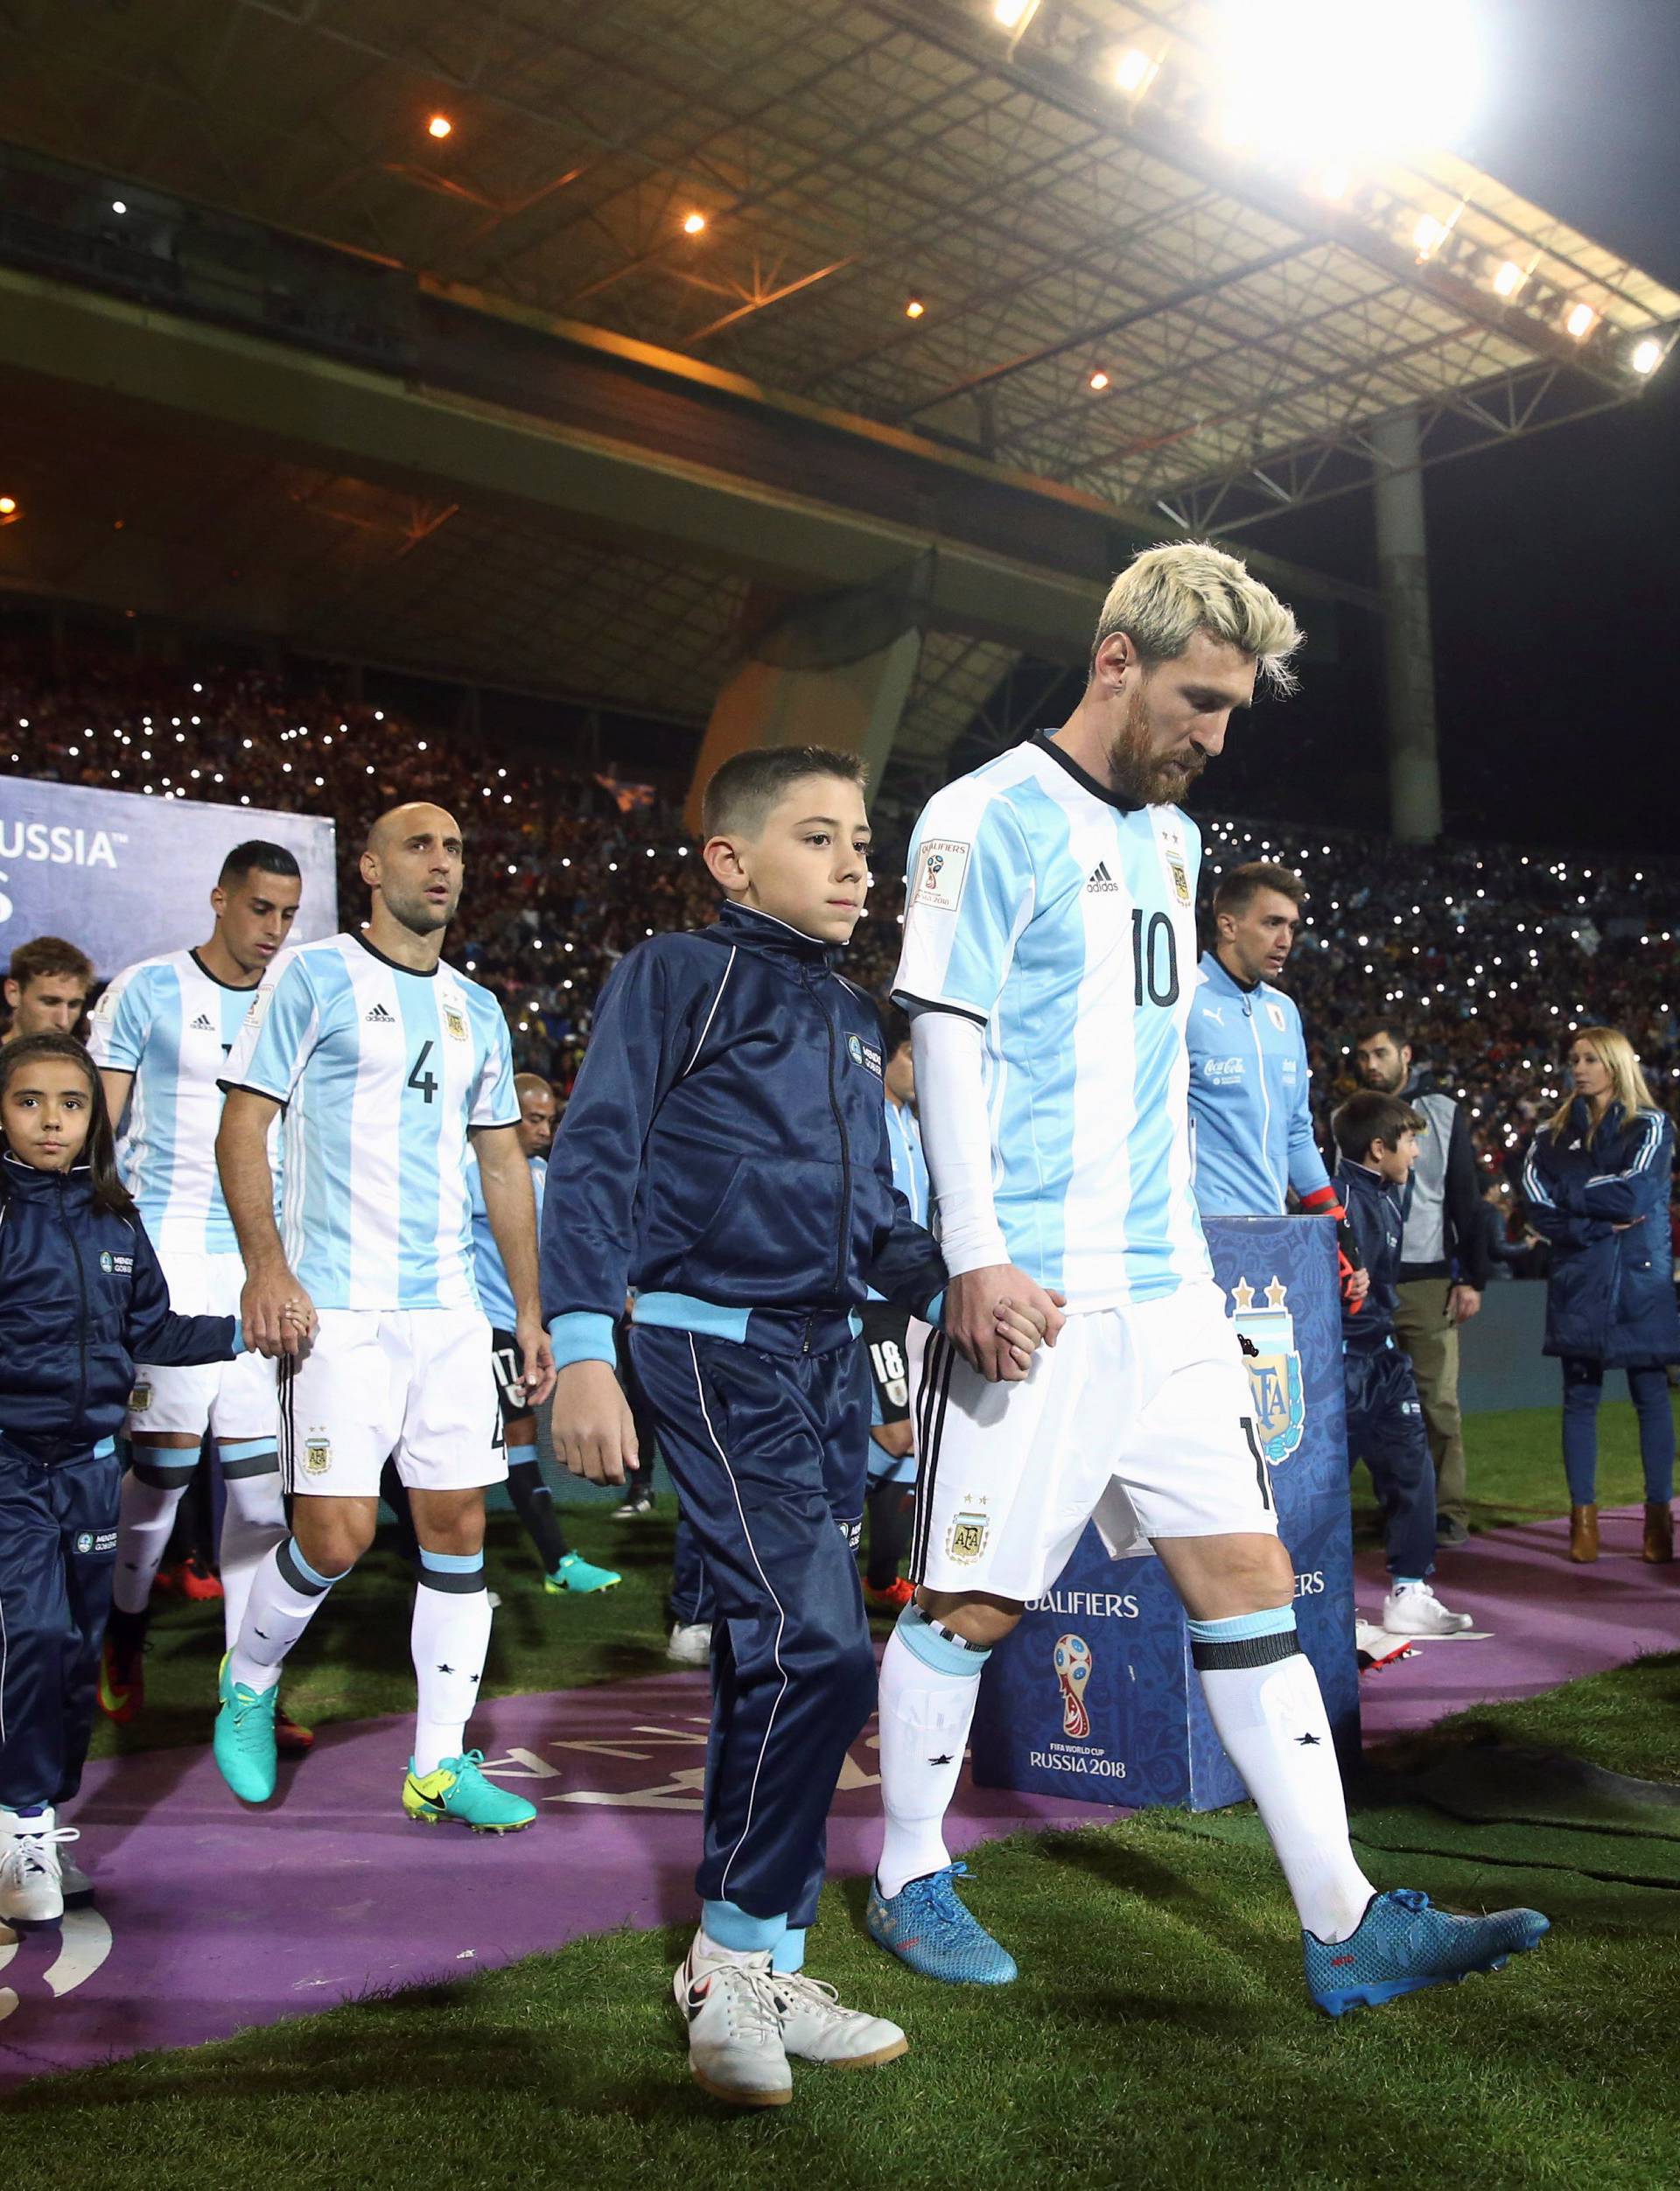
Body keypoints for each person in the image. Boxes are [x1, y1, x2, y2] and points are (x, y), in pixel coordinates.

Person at [872, 538, 1546, 2018]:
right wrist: (972, 1253)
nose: (1214, 734)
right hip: (1035, 1284)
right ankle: (909, 1865)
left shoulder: (1178, 844)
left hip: (1167, 1290)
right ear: (1115, 658)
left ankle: (1344, 1916)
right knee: (975, 1601)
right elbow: (949, 1052)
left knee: (1250, 1584)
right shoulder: (981, 818)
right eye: (1198, 697)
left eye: (1234, 708)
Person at [541, 744, 1049, 2106]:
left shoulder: (842, 1016)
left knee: (772, 1669)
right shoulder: (674, 974)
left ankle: (758, 1954)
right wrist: (582, 1345)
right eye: (818, 839)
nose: (855, 866)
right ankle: (729, 1968)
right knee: (819, 1652)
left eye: (863, 843)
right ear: (729, 858)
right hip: (715, 1350)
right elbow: (593, 1149)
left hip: (819, 1368)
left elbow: (871, 1229)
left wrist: (959, 1282)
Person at [209, 802, 556, 1833]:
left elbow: (503, 1163)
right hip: (337, 1306)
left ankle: (438, 1765)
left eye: (455, 845)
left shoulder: (478, 1008)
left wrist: (528, 1311)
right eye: (419, 844)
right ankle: (251, 1671)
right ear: (368, 866)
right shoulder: (312, 976)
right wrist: (266, 1268)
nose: (442, 861)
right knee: (337, 1532)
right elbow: (245, 1124)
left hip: (447, 1309)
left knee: (456, 1528)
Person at [0, 1035, 251, 1923]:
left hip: (91, 1468)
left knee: (72, 1650)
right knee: (29, 1634)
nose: (52, 1119)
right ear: (2, 1108)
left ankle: (39, 1821)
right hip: (10, 1470)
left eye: (70, 1102)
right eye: (30, 1100)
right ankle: (19, 1822)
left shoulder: (116, 1213)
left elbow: (153, 1326)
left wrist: (249, 1328)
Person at [88, 843, 312, 1752]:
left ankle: (247, 1691)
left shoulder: (295, 998)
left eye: (289, 914)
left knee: (261, 1496)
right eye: (260, 908)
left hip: (263, 1258)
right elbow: (99, 1130)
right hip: (168, 1252)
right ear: (219, 898)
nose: (274, 930)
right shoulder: (146, 990)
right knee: (168, 1470)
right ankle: (125, 1628)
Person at [1520, 1026, 1678, 1564]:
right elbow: (1535, 1206)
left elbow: (1637, 1191)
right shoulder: (1550, 1133)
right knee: (1579, 1402)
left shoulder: (1652, 1124)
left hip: (1640, 1280)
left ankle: (1659, 1523)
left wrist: (1572, 1197)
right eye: (1574, 1059)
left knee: (1652, 1399)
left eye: (1589, 1059)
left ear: (1614, 1064)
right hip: (1580, 1278)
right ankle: (1581, 1523)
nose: (1578, 1068)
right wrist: (1592, 1223)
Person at [467, 1070, 619, 1595]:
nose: (546, 1130)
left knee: (505, 1438)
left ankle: (453, 1567)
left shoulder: (539, 1172)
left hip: (520, 1327)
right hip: (480, 1325)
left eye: (550, 1120)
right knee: (512, 1436)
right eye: (534, 1119)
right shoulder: (468, 1169)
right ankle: (553, 1561)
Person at [1332, 1092, 1474, 1637]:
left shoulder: (1387, 1197)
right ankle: (1318, 1598)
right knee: (1325, 1490)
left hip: (1383, 1357)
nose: (1416, 1153)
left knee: (1413, 1470)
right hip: (1344, 1365)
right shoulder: (1334, 1202)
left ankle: (1410, 1591)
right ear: (1378, 1147)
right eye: (1411, 1142)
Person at [1355, 1021, 1490, 1547]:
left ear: (1406, 1054)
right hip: (1369, 1285)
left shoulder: (1441, 1111)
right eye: (1365, 1055)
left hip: (1428, 1279)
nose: (1372, 1064)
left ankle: (1448, 1513)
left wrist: (1472, 1277)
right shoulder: (1354, 1118)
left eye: (1381, 1052)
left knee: (1437, 1404)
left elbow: (1465, 1195)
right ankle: (1401, 1509)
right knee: (1374, 1407)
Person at [1186, 861, 1341, 1222]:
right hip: (1199, 1230)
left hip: (1274, 1225)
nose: (1285, 940)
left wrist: (1334, 1218)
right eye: (1272, 923)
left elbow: (1297, 1130)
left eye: (1291, 927)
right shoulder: (1181, 1002)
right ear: (1229, 925)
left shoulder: (1284, 1011)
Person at [861, 1005, 930, 1614]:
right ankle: (821, 1516)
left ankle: (882, 1579)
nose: (924, 1068)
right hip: (871, 1301)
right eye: (914, 1054)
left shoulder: (914, 1122)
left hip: (913, 1304)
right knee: (897, 1433)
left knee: (914, 1445)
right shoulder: (866, 1116)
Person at [3, 935, 94, 1044]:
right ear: (13, 993)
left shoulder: (87, 1060)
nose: (63, 1022)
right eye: (50, 1002)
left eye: (73, 1005)